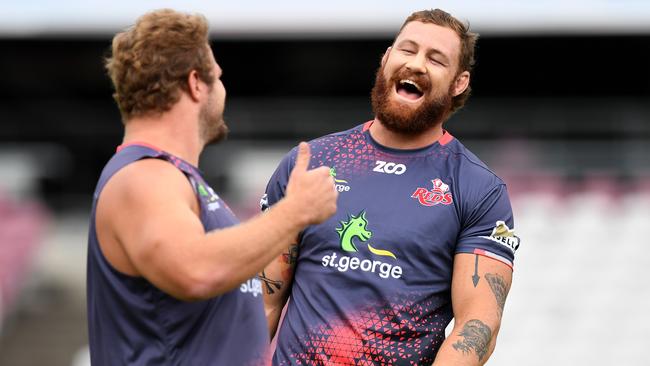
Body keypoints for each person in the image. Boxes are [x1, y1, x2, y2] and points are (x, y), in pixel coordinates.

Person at [260, 8, 519, 365]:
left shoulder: (478, 189)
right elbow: (262, 299)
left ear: (459, 83)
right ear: (385, 58)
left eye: (436, 58)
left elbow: (477, 325)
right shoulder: (311, 162)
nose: (416, 64)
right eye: (407, 49)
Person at [86, 9, 337, 366]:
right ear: (195, 83)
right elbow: (195, 271)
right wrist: (295, 212)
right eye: (217, 77)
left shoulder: (174, 178)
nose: (223, 88)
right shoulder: (144, 176)